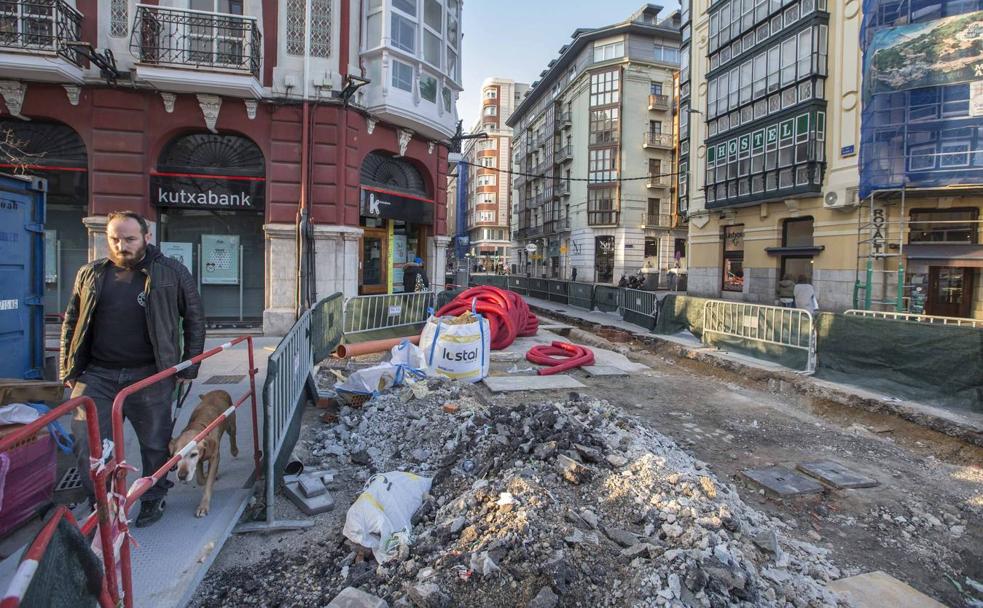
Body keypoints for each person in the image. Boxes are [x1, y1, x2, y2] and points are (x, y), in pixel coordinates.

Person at [61, 211, 204, 527]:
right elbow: (72, 321)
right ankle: (103, 501)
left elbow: (194, 318)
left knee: (155, 443)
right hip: (96, 375)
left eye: (129, 239)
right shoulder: (91, 274)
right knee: (90, 445)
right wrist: (68, 371)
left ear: (146, 237)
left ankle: (153, 497)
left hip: (150, 374)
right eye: (114, 238)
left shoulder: (171, 272)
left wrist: (188, 367)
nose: (121, 245)